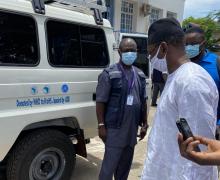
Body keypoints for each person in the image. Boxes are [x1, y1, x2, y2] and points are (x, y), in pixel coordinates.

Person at [141, 18, 219, 180]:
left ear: (163, 48)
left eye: (150, 52)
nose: (150, 58)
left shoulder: (191, 81)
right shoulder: (176, 77)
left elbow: (199, 157)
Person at [96, 38, 148, 180]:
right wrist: (101, 125)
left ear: (137, 52)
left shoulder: (139, 75)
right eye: (126, 50)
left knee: (124, 168)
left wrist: (144, 123)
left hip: (131, 130)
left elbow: (144, 100)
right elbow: (100, 101)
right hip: (115, 130)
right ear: (119, 52)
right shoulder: (109, 74)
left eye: (133, 50)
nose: (130, 53)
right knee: (108, 168)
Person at [185, 27, 220, 127]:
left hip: (212, 127)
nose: (188, 47)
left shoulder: (216, 63)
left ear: (203, 44)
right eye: (186, 44)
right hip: (187, 127)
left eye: (192, 44)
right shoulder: (183, 63)